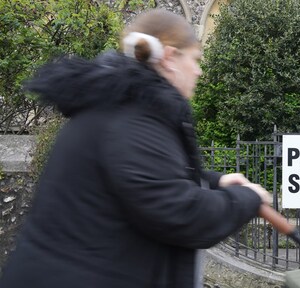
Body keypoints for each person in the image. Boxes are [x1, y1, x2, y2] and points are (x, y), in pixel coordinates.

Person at [0, 9, 271, 288]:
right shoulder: (132, 121)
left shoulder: (124, 108)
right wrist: (246, 199)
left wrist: (216, 181)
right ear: (169, 57)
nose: (199, 70)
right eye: (195, 59)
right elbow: (181, 214)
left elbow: (153, 177)